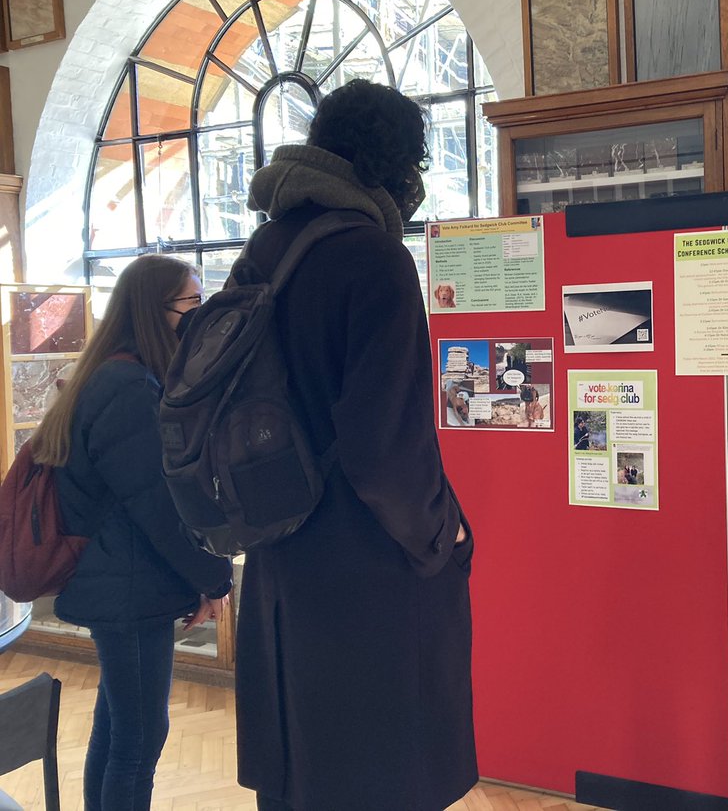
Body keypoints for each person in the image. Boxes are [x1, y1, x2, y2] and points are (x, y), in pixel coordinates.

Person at [237, 80, 476, 811]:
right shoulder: (373, 260)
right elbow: (386, 451)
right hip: (364, 577)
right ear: (391, 166)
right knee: (378, 778)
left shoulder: (265, 251)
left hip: (280, 560)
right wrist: (442, 534)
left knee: (300, 778)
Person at [32, 255, 233, 811]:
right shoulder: (127, 388)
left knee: (119, 726)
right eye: (191, 305)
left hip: (122, 579)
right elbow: (159, 508)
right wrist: (214, 579)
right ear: (155, 311)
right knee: (139, 741)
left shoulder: (118, 374)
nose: (198, 317)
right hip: (126, 585)